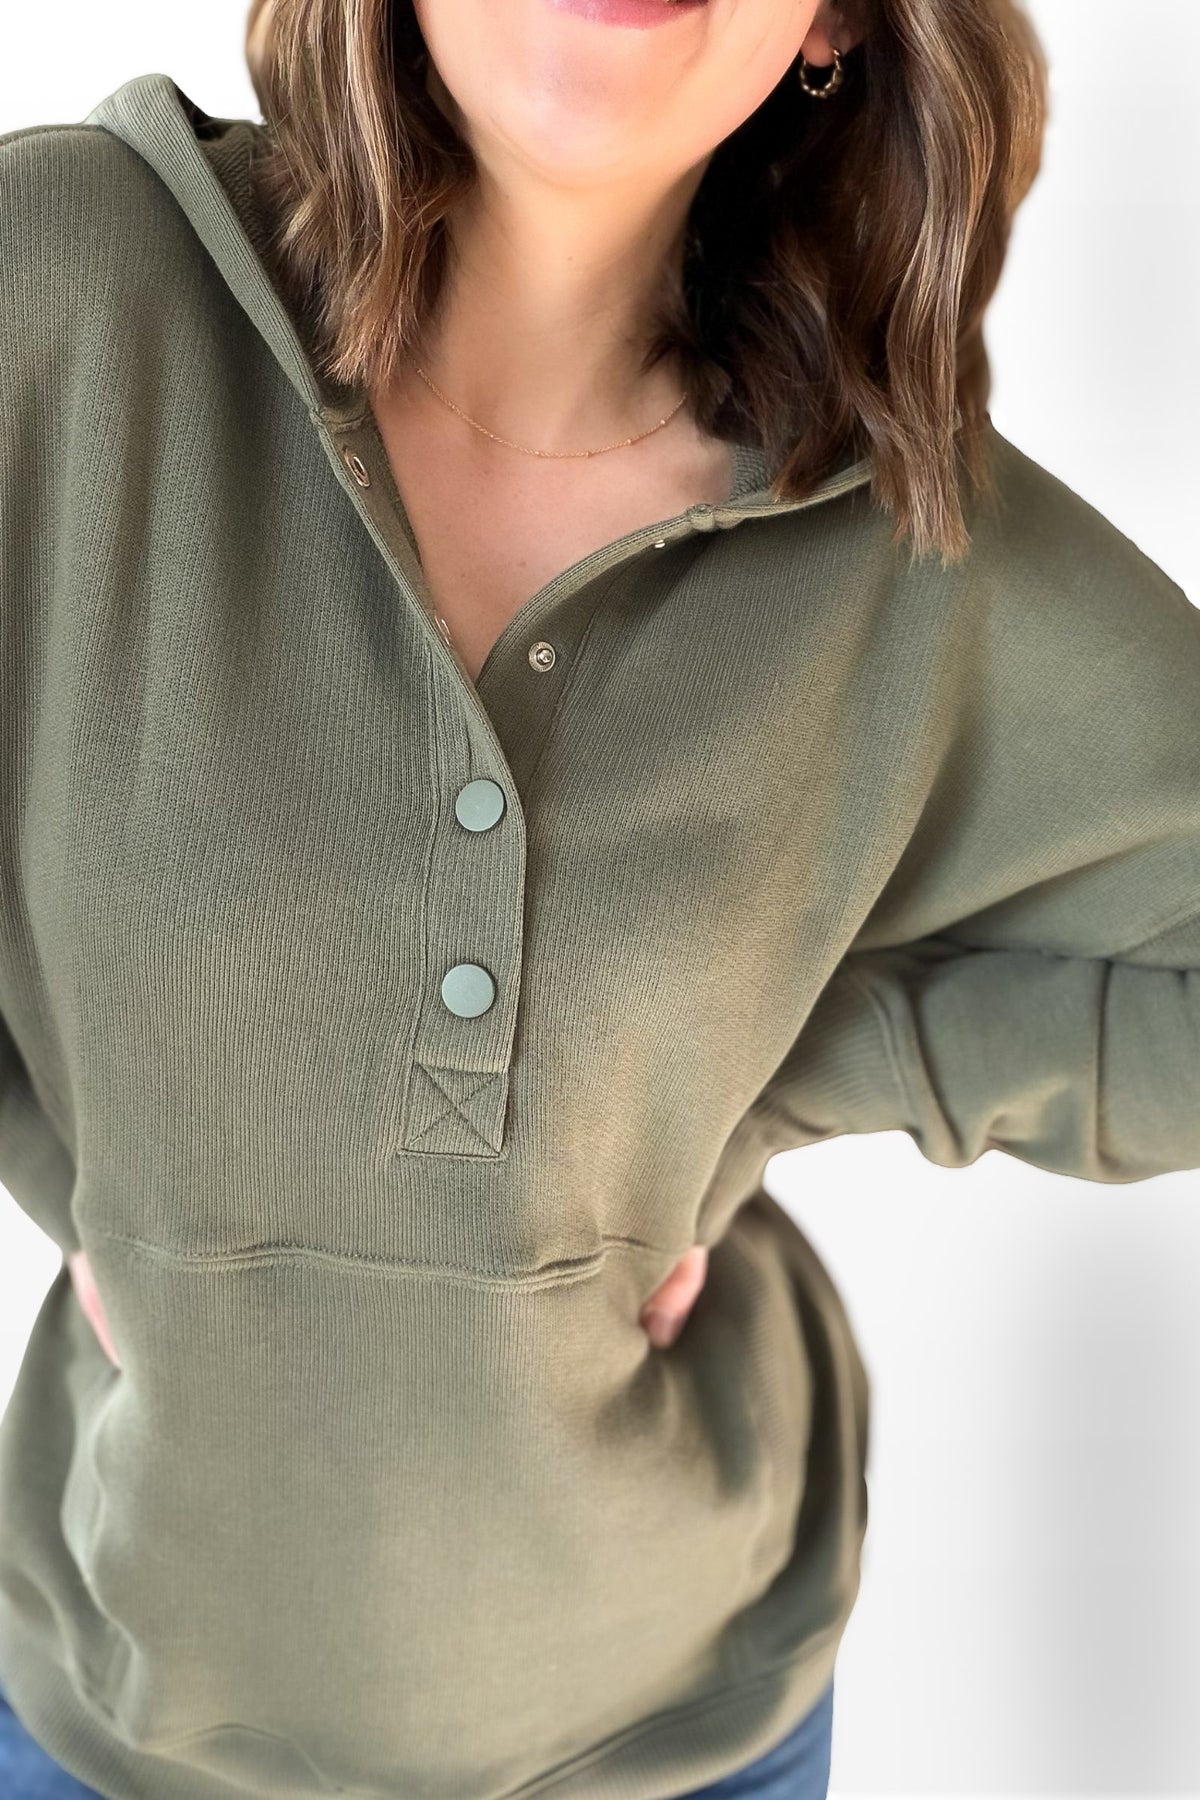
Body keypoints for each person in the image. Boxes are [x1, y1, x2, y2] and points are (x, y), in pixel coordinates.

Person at [0, 0, 1196, 1795]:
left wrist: (775, 1066)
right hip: (116, 1713)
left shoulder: (914, 540)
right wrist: (94, 1181)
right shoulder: (74, 289)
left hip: (693, 1723)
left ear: (839, 26)